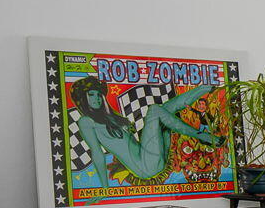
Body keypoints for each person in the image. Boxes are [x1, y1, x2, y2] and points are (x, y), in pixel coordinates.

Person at [70, 77, 226, 184]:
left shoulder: (109, 117)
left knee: (165, 110)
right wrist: (104, 189)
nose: (96, 98)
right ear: (82, 98)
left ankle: (206, 88)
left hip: (152, 157)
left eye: (99, 95)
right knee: (155, 110)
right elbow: (96, 153)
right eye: (91, 95)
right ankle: (204, 137)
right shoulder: (86, 121)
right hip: (145, 167)